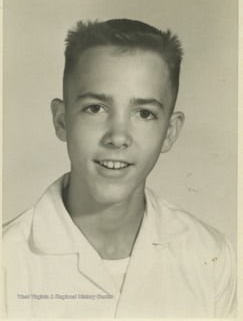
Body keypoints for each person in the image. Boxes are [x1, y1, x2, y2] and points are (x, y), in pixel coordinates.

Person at [3, 19, 236, 318]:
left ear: (170, 131)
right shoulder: (7, 263)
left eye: (144, 113)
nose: (118, 137)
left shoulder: (210, 255)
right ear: (62, 120)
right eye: (95, 108)